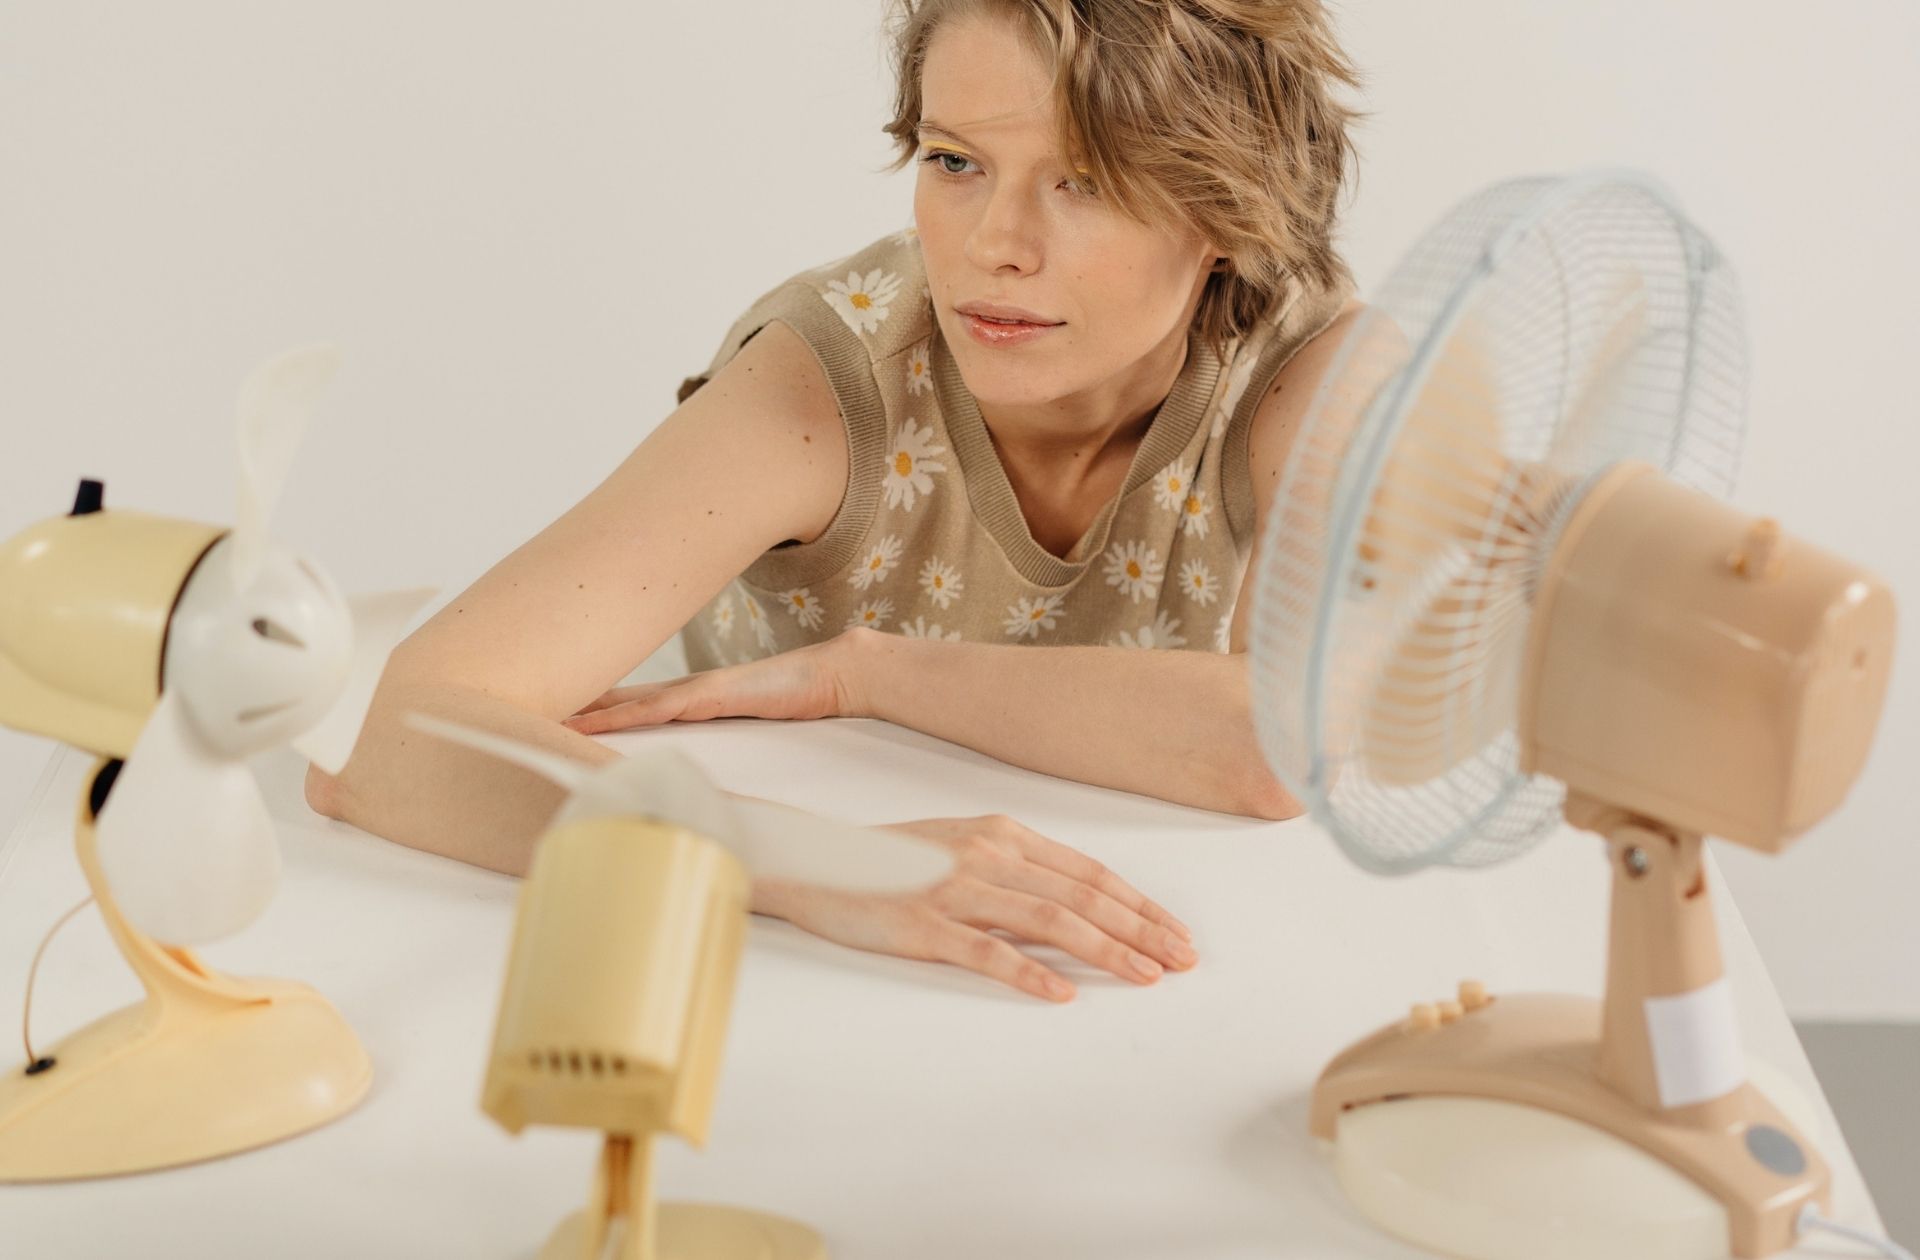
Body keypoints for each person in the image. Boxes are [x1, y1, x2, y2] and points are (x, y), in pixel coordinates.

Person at [306, 0, 1366, 1003]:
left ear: (1231, 206)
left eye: (1082, 181)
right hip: (764, 965)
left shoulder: (1312, 371)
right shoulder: (832, 379)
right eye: (955, 161)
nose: (995, 245)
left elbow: (1282, 742)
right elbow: (379, 739)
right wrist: (804, 859)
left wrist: (869, 674)